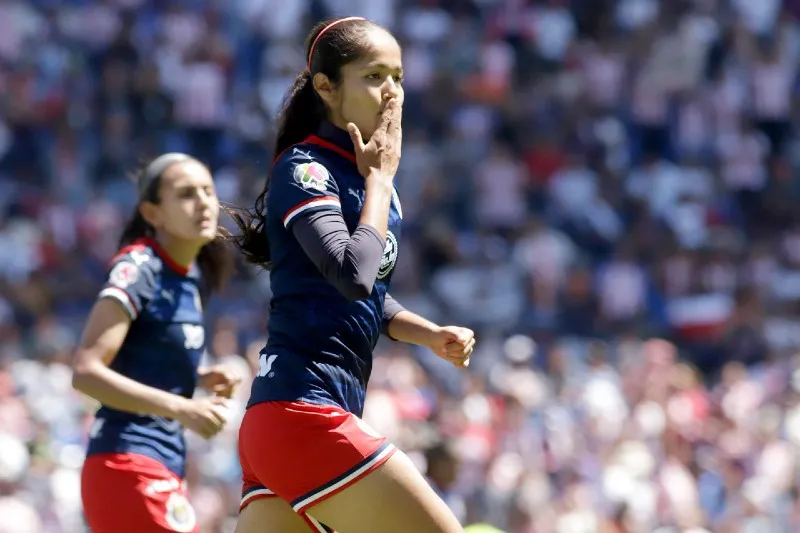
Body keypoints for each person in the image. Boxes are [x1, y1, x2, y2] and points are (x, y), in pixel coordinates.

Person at [229, 16, 475, 533]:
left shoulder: (366, 178)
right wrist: (381, 181)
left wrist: (426, 333)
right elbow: (351, 274)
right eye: (374, 76)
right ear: (326, 86)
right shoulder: (307, 168)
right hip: (304, 413)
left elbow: (366, 296)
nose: (392, 92)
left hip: (285, 423)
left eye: (399, 77)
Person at [72, 153, 239, 533]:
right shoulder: (140, 268)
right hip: (127, 465)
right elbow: (86, 372)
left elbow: (140, 361)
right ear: (153, 213)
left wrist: (196, 377)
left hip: (158, 464)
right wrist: (182, 408)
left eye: (208, 191)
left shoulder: (189, 276)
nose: (203, 202)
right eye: (185, 194)